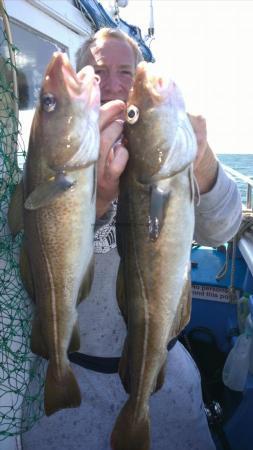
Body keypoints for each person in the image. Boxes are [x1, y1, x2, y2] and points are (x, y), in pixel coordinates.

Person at [22, 28, 242, 450]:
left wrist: (203, 162)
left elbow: (223, 228)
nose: (116, 84)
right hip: (73, 375)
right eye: (100, 71)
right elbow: (39, 241)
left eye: (127, 71)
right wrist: (96, 201)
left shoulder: (175, 161)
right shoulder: (51, 161)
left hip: (164, 370)